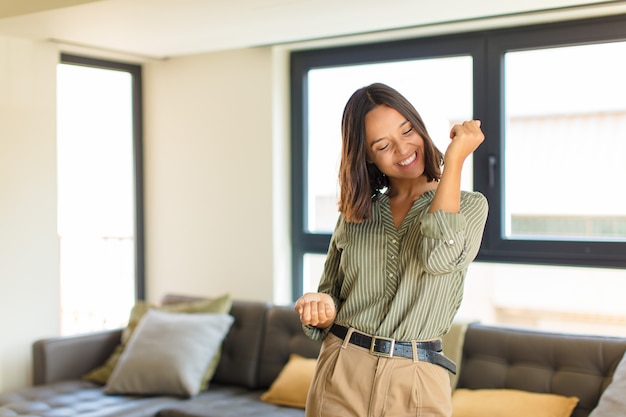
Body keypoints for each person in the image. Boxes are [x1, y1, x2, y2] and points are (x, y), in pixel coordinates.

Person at [295, 82, 488, 417]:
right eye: (383, 145)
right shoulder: (356, 214)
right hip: (342, 370)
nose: (402, 150)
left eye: (408, 130)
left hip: (417, 380)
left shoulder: (470, 208)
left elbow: (439, 257)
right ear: (368, 156)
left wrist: (454, 161)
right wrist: (321, 305)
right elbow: (330, 295)